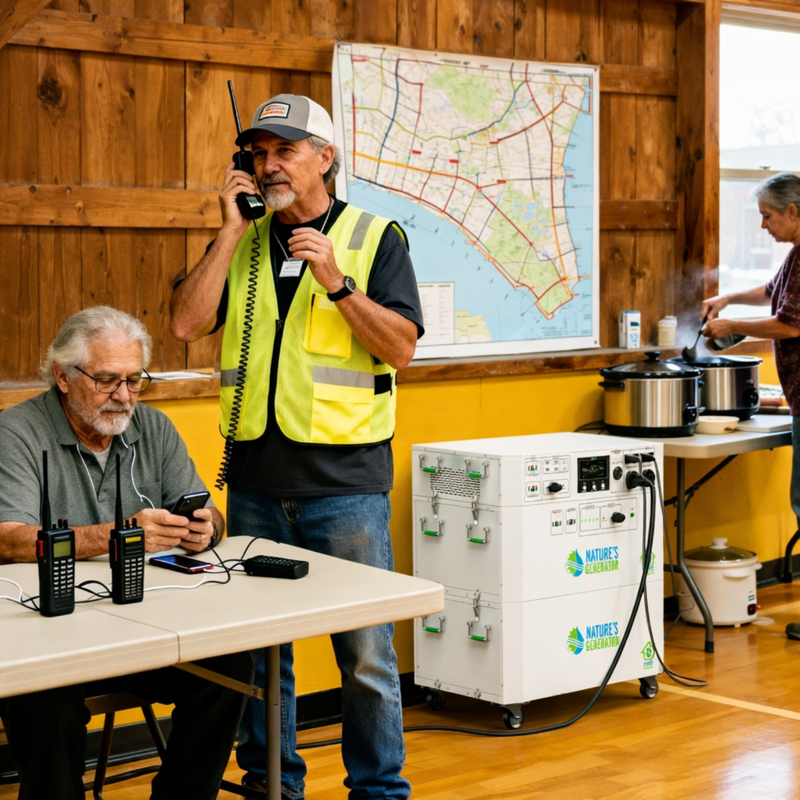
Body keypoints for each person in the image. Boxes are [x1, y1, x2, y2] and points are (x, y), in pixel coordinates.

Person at [170, 93, 424, 799]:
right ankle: (270, 785)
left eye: (285, 150)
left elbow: (400, 350)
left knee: (367, 657)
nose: (269, 164)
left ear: (325, 157)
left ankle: (378, 792)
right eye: (258, 152)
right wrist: (228, 231)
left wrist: (338, 284)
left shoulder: (376, 238)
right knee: (260, 656)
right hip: (253, 482)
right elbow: (188, 324)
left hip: (344, 487)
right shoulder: (244, 240)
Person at [0, 305, 254, 799]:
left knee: (231, 666)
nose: (123, 396)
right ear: (63, 376)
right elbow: (8, 539)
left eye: (135, 380)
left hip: (140, 626)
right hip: (49, 629)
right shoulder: (18, 432)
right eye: (108, 380)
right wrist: (119, 535)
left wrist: (206, 529)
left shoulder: (153, 428)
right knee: (41, 696)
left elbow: (208, 509)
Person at [701, 171, 800, 640]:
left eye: (767, 217)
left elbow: (789, 325)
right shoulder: (795, 256)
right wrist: (726, 298)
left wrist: (729, 326)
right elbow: (770, 293)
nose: (763, 226)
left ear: (793, 213)